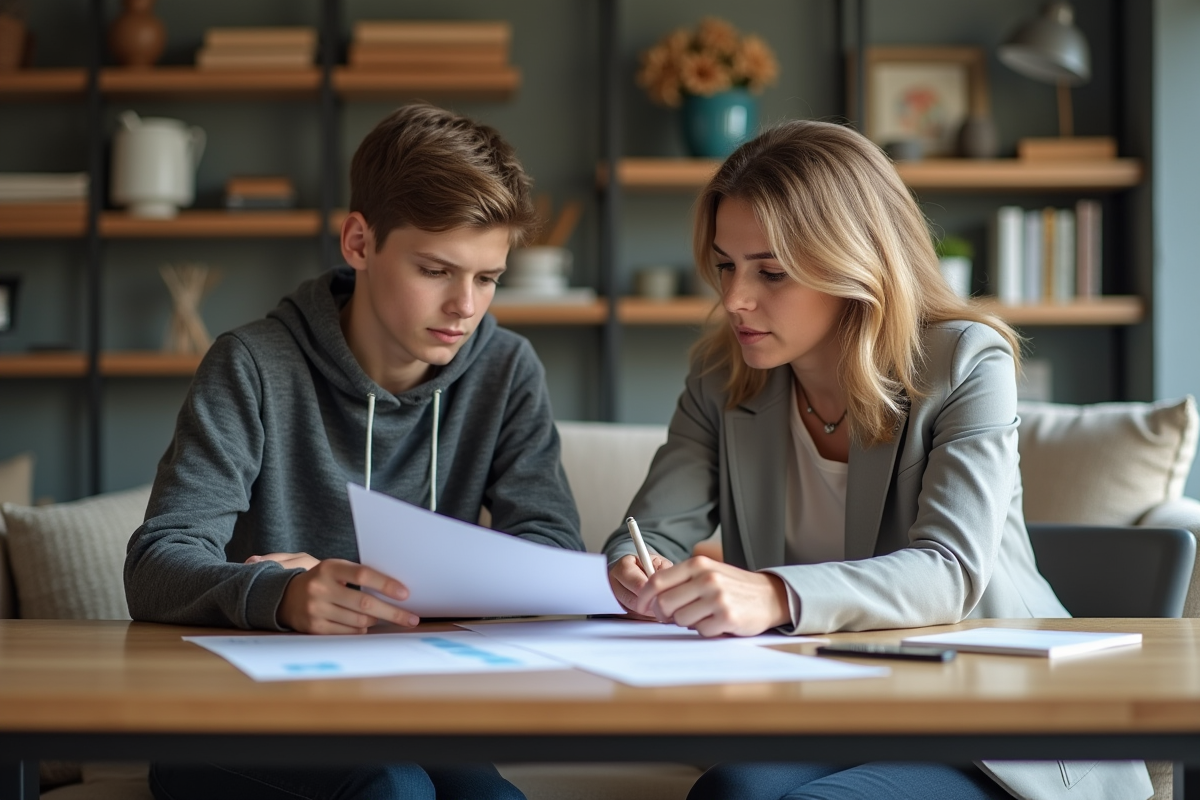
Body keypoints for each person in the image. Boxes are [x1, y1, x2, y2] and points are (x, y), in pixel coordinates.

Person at [603, 120, 1152, 800]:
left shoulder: (964, 362)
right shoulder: (722, 376)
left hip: (988, 722)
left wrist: (773, 593)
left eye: (771, 271)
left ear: (853, 263)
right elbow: (651, 531)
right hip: (834, 708)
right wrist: (633, 569)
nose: (735, 298)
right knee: (730, 791)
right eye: (725, 264)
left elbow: (950, 570)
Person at [125, 103, 584, 800]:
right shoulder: (252, 364)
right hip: (236, 718)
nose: (466, 306)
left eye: (488, 278)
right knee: (390, 790)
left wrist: (405, 587)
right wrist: (284, 596)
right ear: (359, 241)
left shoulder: (507, 369)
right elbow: (156, 563)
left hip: (416, 713)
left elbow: (550, 549)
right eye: (436, 269)